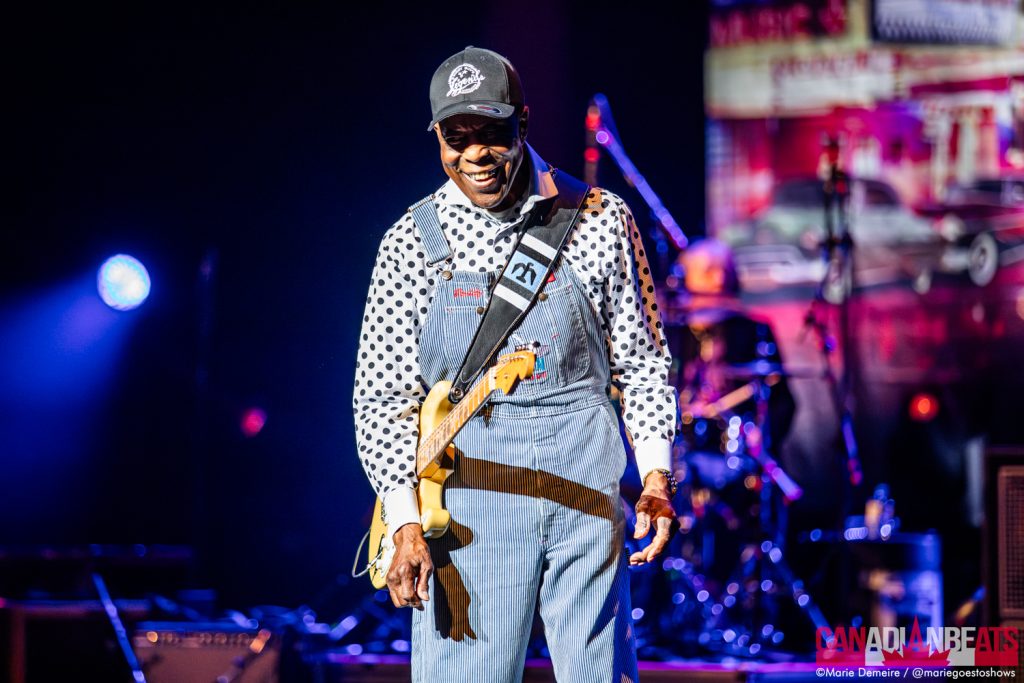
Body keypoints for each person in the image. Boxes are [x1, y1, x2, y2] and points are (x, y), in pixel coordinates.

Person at [353, 47, 678, 682]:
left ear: (523, 124)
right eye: (456, 136)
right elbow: (383, 398)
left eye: (492, 132)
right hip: (471, 492)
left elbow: (642, 363)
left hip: (584, 475)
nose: (474, 153)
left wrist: (658, 477)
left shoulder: (599, 219)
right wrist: (404, 523)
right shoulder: (411, 242)